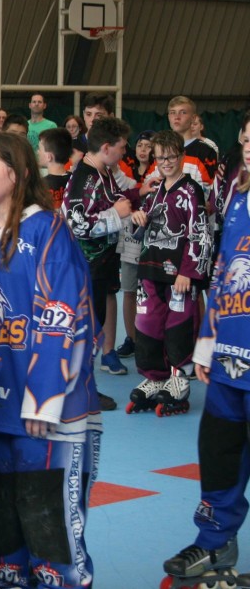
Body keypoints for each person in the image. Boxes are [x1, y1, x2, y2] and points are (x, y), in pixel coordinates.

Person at [0, 133, 100, 589]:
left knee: (51, 525)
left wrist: (45, 398)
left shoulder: (47, 229)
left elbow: (65, 315)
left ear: (19, 173)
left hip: (44, 411)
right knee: (2, 520)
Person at [161, 132, 250, 585]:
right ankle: (215, 543)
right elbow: (221, 275)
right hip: (232, 359)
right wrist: (207, 344)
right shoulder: (238, 194)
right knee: (218, 457)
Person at [126, 130, 212, 416]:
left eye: (171, 156)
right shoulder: (154, 189)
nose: (165, 162)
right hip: (150, 270)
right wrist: (138, 217)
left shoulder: (191, 190)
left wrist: (189, 271)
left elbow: (200, 233)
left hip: (178, 275)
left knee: (179, 327)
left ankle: (178, 380)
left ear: (181, 155)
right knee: (147, 325)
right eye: (160, 157)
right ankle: (155, 378)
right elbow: (142, 228)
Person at [63, 115, 139, 384]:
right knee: (85, 328)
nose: (124, 151)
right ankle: (80, 388)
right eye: (122, 146)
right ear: (106, 148)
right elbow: (78, 224)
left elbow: (115, 199)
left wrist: (139, 194)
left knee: (97, 321)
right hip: (86, 266)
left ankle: (86, 382)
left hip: (102, 263)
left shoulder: (104, 172)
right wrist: (116, 216)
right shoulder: (85, 177)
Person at [115, 131, 155, 359]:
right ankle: (131, 338)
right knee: (129, 289)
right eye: (140, 145)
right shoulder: (126, 176)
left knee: (151, 291)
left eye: (148, 146)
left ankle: (152, 338)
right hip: (130, 237)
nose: (143, 150)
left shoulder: (159, 174)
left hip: (153, 239)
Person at [36, 127, 73, 210]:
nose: (37, 152)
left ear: (49, 157)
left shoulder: (40, 185)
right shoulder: (75, 179)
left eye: (39, 149)